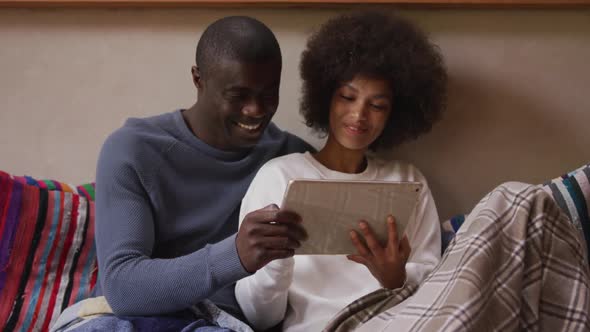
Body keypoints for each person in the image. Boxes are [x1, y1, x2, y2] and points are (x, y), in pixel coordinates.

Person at [54, 16, 312, 331]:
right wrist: (234, 255)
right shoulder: (134, 149)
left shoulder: (294, 161)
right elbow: (122, 287)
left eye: (269, 93)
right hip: (121, 320)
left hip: (221, 325)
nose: (256, 109)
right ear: (198, 79)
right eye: (238, 95)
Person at [235, 11, 448, 332]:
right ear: (326, 96)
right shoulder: (278, 176)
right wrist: (277, 262)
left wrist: (396, 279)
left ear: (395, 113)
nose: (359, 115)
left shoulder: (407, 181)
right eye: (348, 97)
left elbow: (437, 288)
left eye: (377, 105)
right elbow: (260, 318)